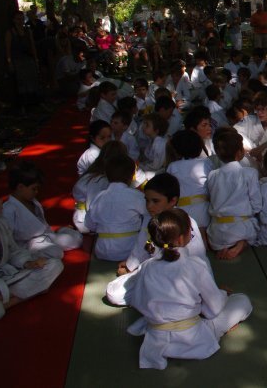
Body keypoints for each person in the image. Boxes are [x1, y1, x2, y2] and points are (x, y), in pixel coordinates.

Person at [125, 209, 253, 369]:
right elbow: (214, 310)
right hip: (193, 338)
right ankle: (218, 329)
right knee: (242, 301)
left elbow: (137, 300)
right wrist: (221, 295)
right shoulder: (195, 265)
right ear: (181, 238)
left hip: (156, 335)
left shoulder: (146, 267)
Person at [106, 173, 206, 306]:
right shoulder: (150, 219)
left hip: (183, 278)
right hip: (156, 273)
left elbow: (199, 256)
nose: (149, 206)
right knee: (113, 293)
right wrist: (130, 266)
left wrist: (205, 286)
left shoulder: (185, 222)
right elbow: (141, 247)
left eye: (155, 201)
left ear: (173, 201)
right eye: (147, 200)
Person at [0, 185, 64, 325]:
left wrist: (27, 263)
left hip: (5, 277)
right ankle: (16, 298)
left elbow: (14, 251)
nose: (0, 201)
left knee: (54, 264)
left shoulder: (0, 223)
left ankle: (5, 300)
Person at [1, 161, 82, 259]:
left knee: (77, 239)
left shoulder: (32, 201)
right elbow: (7, 239)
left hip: (47, 236)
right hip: (29, 244)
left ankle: (60, 230)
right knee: (56, 253)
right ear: (20, 187)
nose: (37, 192)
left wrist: (51, 232)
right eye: (34, 189)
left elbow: (43, 223)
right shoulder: (8, 209)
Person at [206, 128, 262, 260]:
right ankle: (241, 243)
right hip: (241, 227)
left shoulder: (212, 175)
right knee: (257, 225)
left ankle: (224, 246)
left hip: (216, 233)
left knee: (221, 236)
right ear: (239, 152)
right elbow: (257, 205)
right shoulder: (249, 173)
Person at [86, 155, 147, 261]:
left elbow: (89, 224)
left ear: (106, 175)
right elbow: (148, 216)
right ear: (132, 175)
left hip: (102, 251)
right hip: (130, 250)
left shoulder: (98, 197)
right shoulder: (137, 196)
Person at [166, 130, 212, 236]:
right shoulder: (206, 163)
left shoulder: (173, 166)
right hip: (205, 209)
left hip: (183, 212)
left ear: (176, 149)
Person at [5, 10, 40, 109]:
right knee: (21, 83)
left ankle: (33, 104)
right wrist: (9, 62)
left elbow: (32, 46)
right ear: (14, 20)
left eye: (22, 19)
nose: (20, 21)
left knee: (32, 81)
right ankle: (23, 106)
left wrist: (36, 59)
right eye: (18, 19)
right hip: (17, 60)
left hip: (29, 59)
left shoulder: (27, 31)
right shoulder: (10, 32)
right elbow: (8, 49)